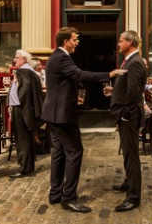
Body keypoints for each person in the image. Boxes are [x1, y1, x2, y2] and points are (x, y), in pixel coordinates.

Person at [41, 27, 124, 213]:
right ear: (65, 42)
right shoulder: (61, 57)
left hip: (54, 113)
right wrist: (108, 74)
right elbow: (79, 75)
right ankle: (68, 197)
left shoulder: (55, 57)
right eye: (74, 39)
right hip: (62, 115)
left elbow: (64, 82)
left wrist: (72, 96)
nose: (76, 42)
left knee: (59, 153)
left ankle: (55, 194)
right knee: (75, 152)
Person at [107, 31, 147, 212]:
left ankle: (133, 197)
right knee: (127, 151)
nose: (118, 44)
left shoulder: (135, 62)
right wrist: (113, 89)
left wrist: (125, 114)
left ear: (129, 42)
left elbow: (134, 92)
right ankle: (128, 182)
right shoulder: (129, 61)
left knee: (131, 156)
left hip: (129, 117)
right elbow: (126, 87)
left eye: (121, 41)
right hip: (126, 115)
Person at [9, 49, 42, 179]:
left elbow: (26, 88)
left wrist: (19, 101)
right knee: (27, 138)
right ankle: (28, 167)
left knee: (22, 139)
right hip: (27, 110)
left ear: (24, 59)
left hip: (21, 109)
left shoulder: (23, 71)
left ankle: (24, 168)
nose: (15, 60)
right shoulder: (31, 72)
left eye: (17, 57)